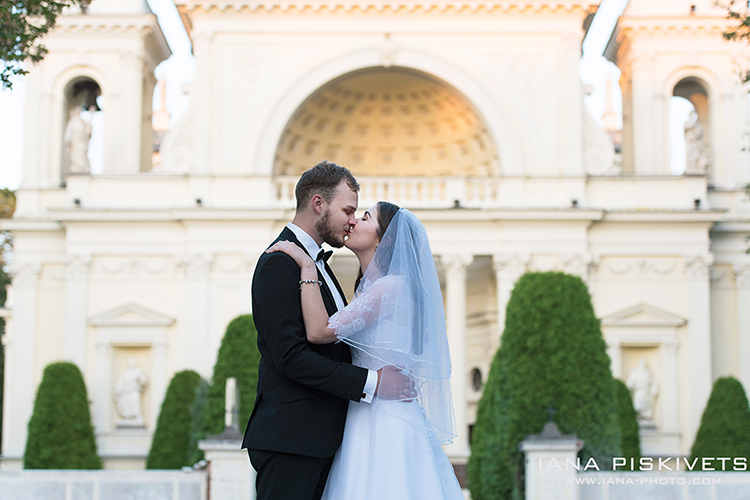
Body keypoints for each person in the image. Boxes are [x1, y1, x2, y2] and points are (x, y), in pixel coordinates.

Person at [241, 161, 414, 500]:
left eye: (359, 214)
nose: (352, 219)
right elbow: (291, 357)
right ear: (318, 203)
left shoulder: (321, 264)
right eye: (348, 210)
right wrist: (374, 382)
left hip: (328, 438)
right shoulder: (280, 261)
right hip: (292, 440)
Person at [267, 201, 464, 499]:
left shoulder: (389, 288)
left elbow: (319, 332)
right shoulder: (372, 288)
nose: (353, 222)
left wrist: (307, 266)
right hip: (366, 411)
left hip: (384, 419)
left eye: (365, 218)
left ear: (382, 240)